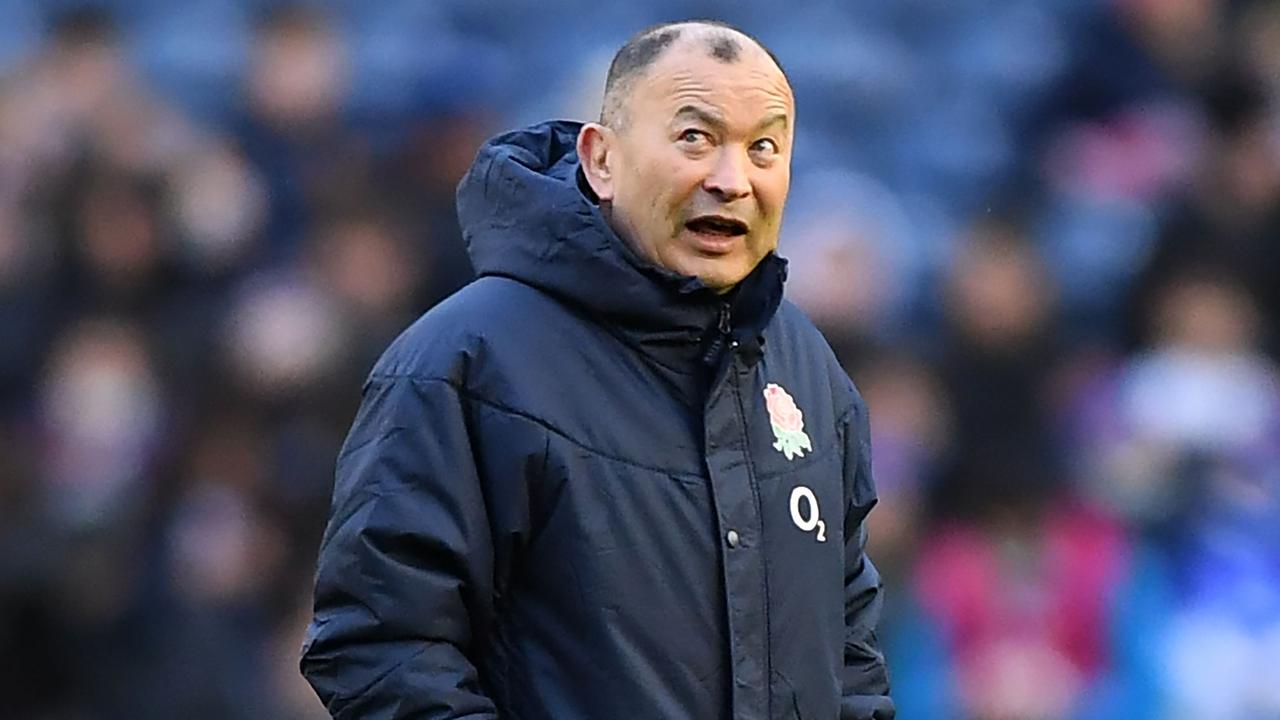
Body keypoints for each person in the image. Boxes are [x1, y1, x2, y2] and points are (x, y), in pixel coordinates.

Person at [301, 19, 895, 720]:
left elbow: (848, 645)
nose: (733, 180)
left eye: (764, 147)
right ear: (601, 159)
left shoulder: (806, 369)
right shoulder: (463, 364)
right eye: (694, 138)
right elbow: (381, 649)